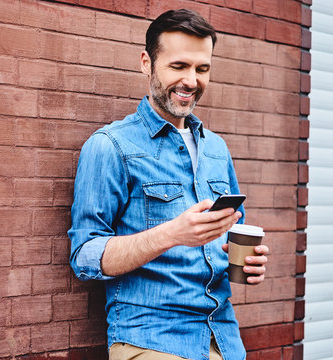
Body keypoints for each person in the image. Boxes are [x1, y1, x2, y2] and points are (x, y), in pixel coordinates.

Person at [68, 9, 269, 360]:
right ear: (147, 63)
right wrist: (172, 233)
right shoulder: (110, 146)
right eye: (178, 66)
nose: (191, 81)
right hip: (151, 339)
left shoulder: (216, 149)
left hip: (223, 338)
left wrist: (244, 260)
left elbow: (228, 236)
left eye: (201, 69)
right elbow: (85, 256)